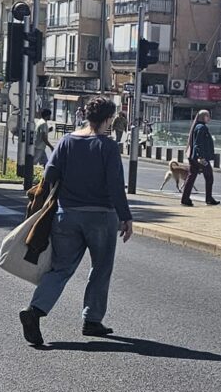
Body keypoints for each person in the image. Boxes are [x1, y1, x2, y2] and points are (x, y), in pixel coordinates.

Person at [18, 97, 134, 346]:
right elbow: (115, 186)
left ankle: (35, 310)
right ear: (107, 119)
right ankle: (92, 320)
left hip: (66, 215)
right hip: (101, 217)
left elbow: (49, 175)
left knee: (61, 268)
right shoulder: (108, 146)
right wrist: (126, 217)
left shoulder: (68, 141)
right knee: (101, 268)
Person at [180, 110, 220, 207]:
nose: (209, 118)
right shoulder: (201, 128)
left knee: (191, 176)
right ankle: (209, 198)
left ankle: (185, 199)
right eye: (207, 116)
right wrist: (201, 157)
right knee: (209, 177)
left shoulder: (198, 126)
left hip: (194, 157)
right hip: (200, 158)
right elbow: (198, 143)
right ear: (203, 117)